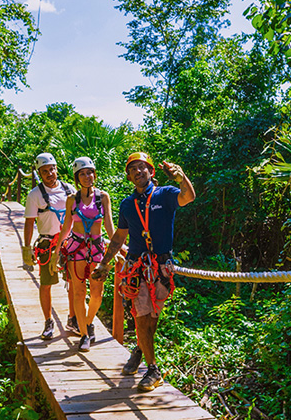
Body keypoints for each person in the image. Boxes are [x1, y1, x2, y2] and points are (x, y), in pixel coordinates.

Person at [94, 152, 196, 391]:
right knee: (141, 317)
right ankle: (153, 369)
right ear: (129, 177)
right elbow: (119, 237)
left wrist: (182, 178)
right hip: (137, 265)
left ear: (151, 171)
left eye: (142, 168)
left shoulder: (166, 194)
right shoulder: (127, 204)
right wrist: (105, 263)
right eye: (133, 169)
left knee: (152, 318)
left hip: (161, 266)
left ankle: (140, 349)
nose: (138, 172)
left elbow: (189, 197)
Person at [55, 157, 115, 352]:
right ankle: (84, 334)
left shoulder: (103, 197)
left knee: (97, 294)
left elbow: (109, 226)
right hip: (76, 248)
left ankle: (88, 323)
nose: (87, 176)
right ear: (77, 177)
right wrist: (57, 252)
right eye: (82, 173)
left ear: (94, 174)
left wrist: (119, 249)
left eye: (89, 172)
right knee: (79, 292)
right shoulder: (72, 199)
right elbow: (66, 227)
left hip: (97, 248)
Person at [21, 153, 73, 341]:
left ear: (56, 168)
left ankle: (73, 319)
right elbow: (29, 222)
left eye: (52, 169)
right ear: (39, 174)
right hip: (47, 243)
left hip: (69, 243)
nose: (50, 174)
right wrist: (26, 249)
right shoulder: (35, 195)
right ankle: (48, 321)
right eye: (45, 171)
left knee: (74, 282)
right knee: (46, 284)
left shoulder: (69, 190)